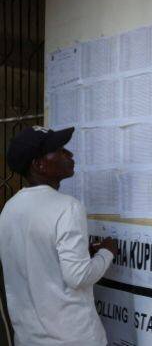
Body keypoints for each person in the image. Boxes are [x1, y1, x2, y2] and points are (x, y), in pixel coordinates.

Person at [0, 126, 117, 346]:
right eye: (60, 150)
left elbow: (34, 260)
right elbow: (78, 277)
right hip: (72, 339)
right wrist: (106, 253)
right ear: (39, 164)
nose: (69, 154)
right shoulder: (67, 207)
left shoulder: (9, 208)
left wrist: (81, 253)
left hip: (28, 338)